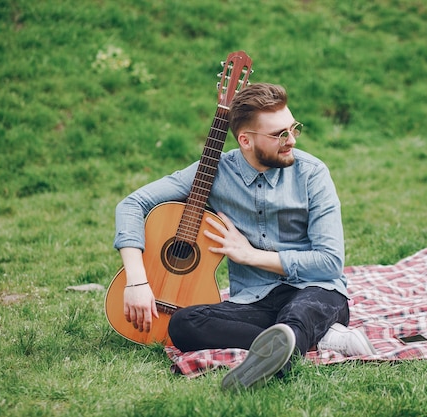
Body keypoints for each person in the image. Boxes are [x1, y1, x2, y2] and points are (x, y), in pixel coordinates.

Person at [113, 83, 375, 390]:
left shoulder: (312, 174)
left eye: (293, 129)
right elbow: (132, 204)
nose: (291, 140)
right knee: (183, 324)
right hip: (255, 300)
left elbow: (329, 262)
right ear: (245, 140)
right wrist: (136, 281)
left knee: (300, 311)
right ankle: (311, 339)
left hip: (315, 289)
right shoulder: (216, 172)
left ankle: (286, 345)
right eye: (279, 134)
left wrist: (250, 255)